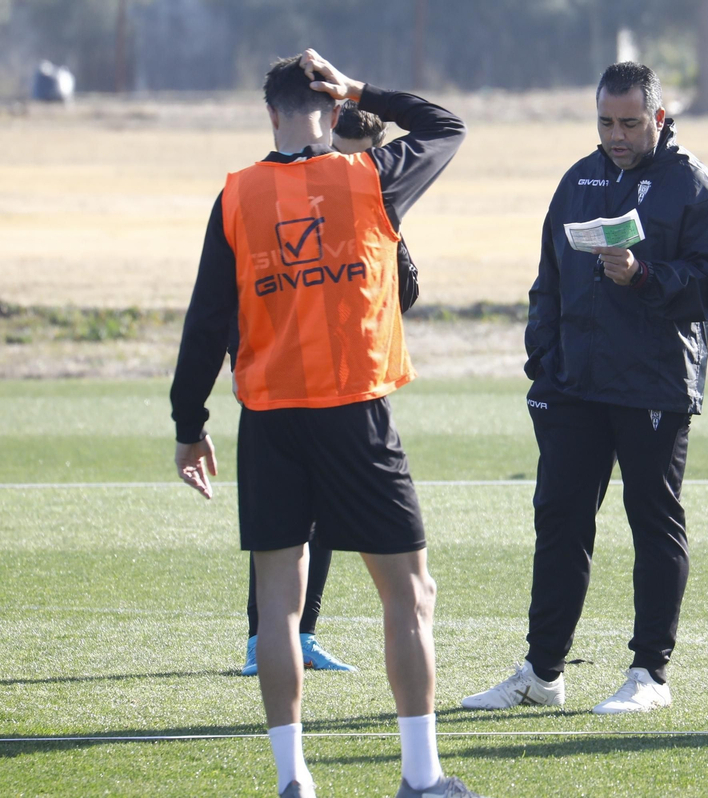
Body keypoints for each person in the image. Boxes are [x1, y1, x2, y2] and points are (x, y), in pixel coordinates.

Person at [169, 50, 484, 798]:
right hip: (354, 413)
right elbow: (446, 126)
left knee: (278, 604)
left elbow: (206, 319)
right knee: (409, 594)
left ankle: (294, 781)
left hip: (269, 419)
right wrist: (363, 87)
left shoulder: (237, 196)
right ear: (334, 109)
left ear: (269, 113)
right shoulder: (370, 175)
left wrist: (189, 423)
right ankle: (420, 777)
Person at [459, 61, 708, 715]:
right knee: (559, 523)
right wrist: (542, 365)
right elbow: (548, 279)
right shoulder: (578, 180)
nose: (616, 135)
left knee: (653, 522)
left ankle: (649, 675)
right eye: (606, 122)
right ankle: (542, 673)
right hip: (573, 387)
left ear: (658, 118)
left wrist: (644, 275)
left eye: (630, 123)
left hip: (652, 386)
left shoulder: (692, 185)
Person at [232, 103, 423, 680]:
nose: (348, 168)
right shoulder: (279, 195)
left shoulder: (370, 197)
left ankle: (302, 635)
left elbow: (404, 292)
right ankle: (265, 639)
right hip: (288, 386)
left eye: (362, 158)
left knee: (322, 526)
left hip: (347, 385)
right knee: (288, 531)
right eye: (343, 155)